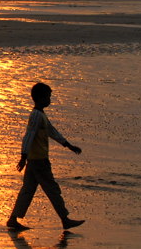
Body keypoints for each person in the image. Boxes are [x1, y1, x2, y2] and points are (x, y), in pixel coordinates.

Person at [6, 82, 85, 232]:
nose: (50, 100)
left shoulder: (41, 115)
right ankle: (65, 219)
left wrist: (68, 145)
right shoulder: (36, 115)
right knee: (52, 189)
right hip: (39, 161)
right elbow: (28, 136)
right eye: (48, 97)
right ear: (41, 98)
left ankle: (13, 219)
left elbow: (52, 131)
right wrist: (23, 157)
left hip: (34, 160)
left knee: (28, 190)